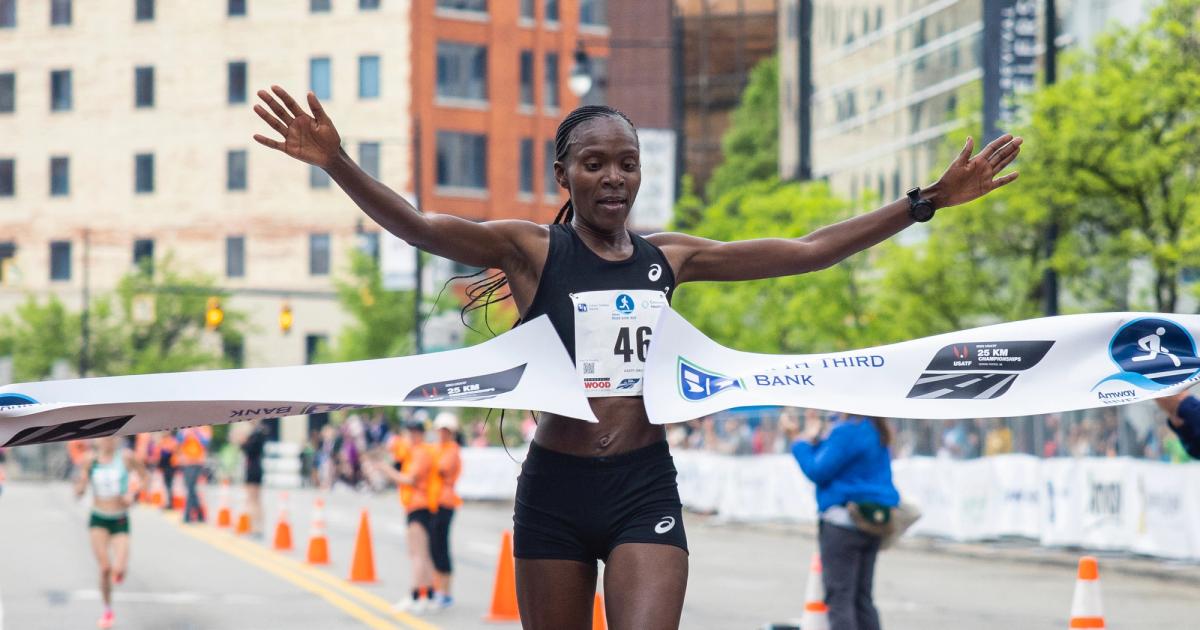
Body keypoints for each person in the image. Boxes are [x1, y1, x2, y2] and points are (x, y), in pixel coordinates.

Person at [251, 84, 1020, 629]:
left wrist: (923, 203)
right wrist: (337, 163)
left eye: (625, 163)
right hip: (553, 488)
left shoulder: (670, 258)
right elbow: (420, 227)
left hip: (642, 485)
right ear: (564, 175)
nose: (612, 177)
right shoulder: (529, 250)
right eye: (594, 163)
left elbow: (809, 251)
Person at [786, 412, 899, 630]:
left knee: (840, 598)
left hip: (843, 522)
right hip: (872, 521)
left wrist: (798, 441)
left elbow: (817, 470)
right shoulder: (876, 428)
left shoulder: (848, 430)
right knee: (862, 598)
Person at [74, 437, 147, 629]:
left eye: (111, 437)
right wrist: (80, 487)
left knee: (119, 569)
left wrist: (133, 494)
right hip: (98, 518)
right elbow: (79, 489)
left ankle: (119, 571)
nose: (107, 441)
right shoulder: (90, 459)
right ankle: (107, 610)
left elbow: (144, 477)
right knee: (105, 568)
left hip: (120, 519)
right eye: (104, 438)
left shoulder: (126, 457)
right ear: (97, 440)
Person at [379, 420, 438, 614]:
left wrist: (387, 470)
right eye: (410, 432)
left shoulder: (421, 453)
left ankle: (415, 595)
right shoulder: (416, 451)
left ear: (421, 434)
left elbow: (409, 479)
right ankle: (428, 595)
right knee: (423, 554)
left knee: (417, 554)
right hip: (417, 506)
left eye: (415, 432)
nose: (411, 436)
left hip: (419, 506)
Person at [428, 411, 464, 611]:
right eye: (440, 430)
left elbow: (441, 468)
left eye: (446, 430)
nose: (442, 433)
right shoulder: (437, 448)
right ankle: (438, 588)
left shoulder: (451, 449)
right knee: (434, 546)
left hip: (445, 503)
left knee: (441, 546)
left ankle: (446, 592)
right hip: (434, 502)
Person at [239, 420, 271, 537]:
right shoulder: (260, 433)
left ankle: (255, 527)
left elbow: (248, 449)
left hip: (252, 468)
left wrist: (242, 441)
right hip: (257, 467)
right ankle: (258, 527)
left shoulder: (255, 434)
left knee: (252, 499)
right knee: (257, 500)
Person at [1153, 390, 1200, 459]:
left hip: (1188, 418)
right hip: (1188, 416)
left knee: (1174, 402)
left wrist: (1180, 429)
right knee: (1177, 400)